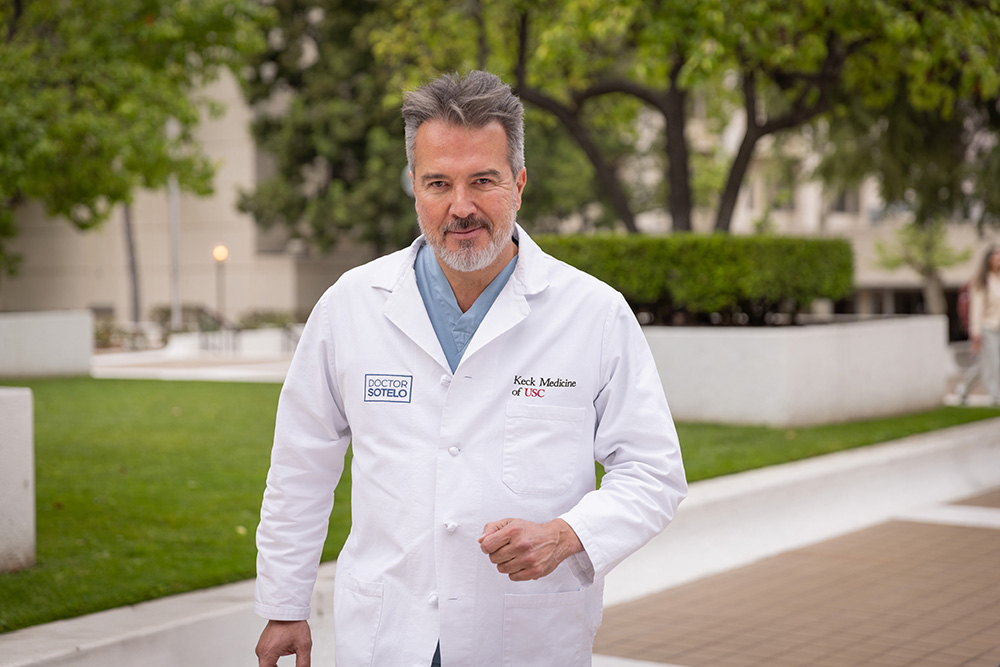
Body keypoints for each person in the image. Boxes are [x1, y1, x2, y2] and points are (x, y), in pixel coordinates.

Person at [253, 70, 687, 667]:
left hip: (526, 637)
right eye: (438, 183)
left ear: (519, 184)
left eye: (483, 180)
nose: (461, 207)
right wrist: (284, 604)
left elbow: (653, 470)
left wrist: (568, 535)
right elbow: (300, 464)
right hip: (388, 632)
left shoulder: (593, 314)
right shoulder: (350, 306)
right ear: (414, 187)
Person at [957, 245, 1000, 405]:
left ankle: (963, 388)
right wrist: (975, 332)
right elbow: (976, 308)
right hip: (986, 327)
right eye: (995, 255)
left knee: (983, 364)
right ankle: (995, 396)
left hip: (998, 327)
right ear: (988, 259)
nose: (998, 258)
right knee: (994, 362)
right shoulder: (981, 280)